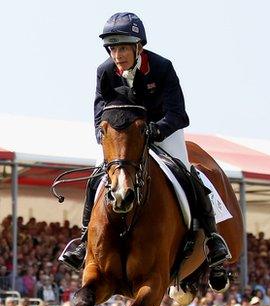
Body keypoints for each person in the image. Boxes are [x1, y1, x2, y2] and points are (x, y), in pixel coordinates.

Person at [60, 12, 230, 287]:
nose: (118, 54)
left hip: (163, 132)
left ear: (139, 47)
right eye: (113, 48)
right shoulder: (104, 71)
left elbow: (179, 114)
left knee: (186, 173)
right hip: (123, 139)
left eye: (124, 47)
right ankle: (82, 241)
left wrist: (156, 130)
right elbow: (99, 111)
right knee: (96, 176)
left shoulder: (162, 68)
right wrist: (102, 136)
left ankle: (213, 239)